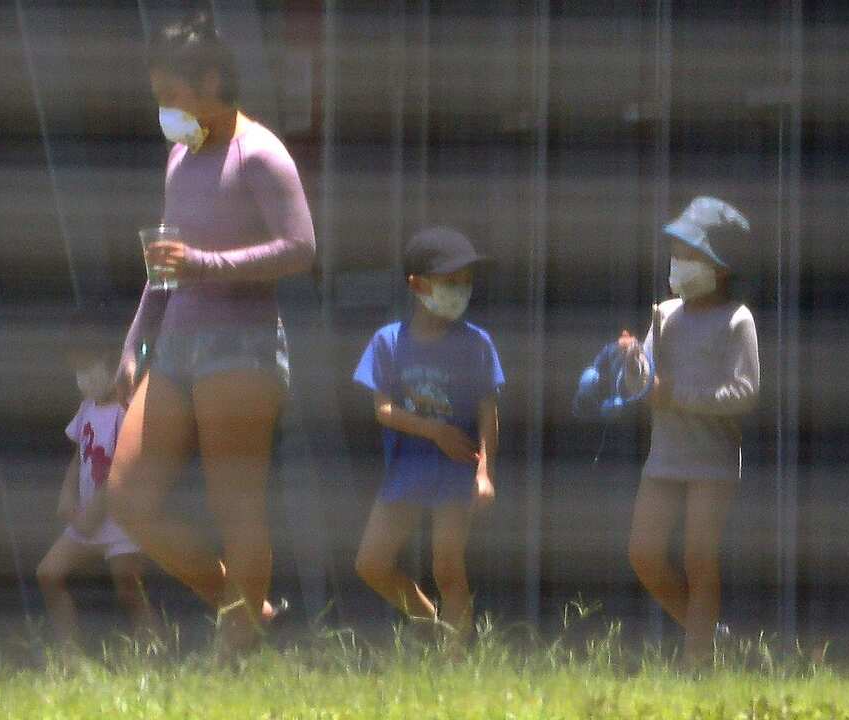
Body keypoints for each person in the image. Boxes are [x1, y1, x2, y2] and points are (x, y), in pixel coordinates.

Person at [104, 12, 315, 652]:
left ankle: (236, 652)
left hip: (241, 348)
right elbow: (166, 263)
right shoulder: (180, 154)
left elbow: (301, 248)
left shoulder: (260, 153)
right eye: (158, 97)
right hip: (175, 346)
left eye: (172, 95)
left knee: (235, 507)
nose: (164, 110)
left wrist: (206, 265)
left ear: (212, 82)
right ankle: (243, 610)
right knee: (127, 499)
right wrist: (134, 344)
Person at [622, 196, 759, 666]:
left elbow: (745, 392)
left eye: (690, 254)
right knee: (644, 554)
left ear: (720, 266)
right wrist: (631, 362)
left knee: (700, 561)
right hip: (664, 458)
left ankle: (696, 664)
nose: (678, 263)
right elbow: (643, 385)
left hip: (712, 463)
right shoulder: (664, 314)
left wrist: (676, 394)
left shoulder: (737, 319)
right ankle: (710, 638)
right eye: (676, 252)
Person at [351, 227, 502, 647]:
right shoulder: (388, 341)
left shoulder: (476, 344)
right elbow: (383, 410)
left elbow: (488, 411)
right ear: (417, 285)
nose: (461, 291)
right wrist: (435, 431)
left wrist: (485, 474)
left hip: (457, 470)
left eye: (466, 282)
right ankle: (428, 620)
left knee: (448, 567)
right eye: (450, 282)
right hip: (406, 469)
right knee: (372, 563)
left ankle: (455, 661)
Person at [37, 313, 158, 649]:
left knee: (128, 588)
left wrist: (94, 512)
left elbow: (124, 467)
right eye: (77, 369)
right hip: (87, 520)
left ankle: (153, 652)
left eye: (87, 366)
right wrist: (67, 496)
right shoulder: (87, 408)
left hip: (121, 520)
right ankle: (69, 655)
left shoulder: (128, 410)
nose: (83, 377)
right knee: (49, 574)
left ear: (114, 358)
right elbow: (80, 456)